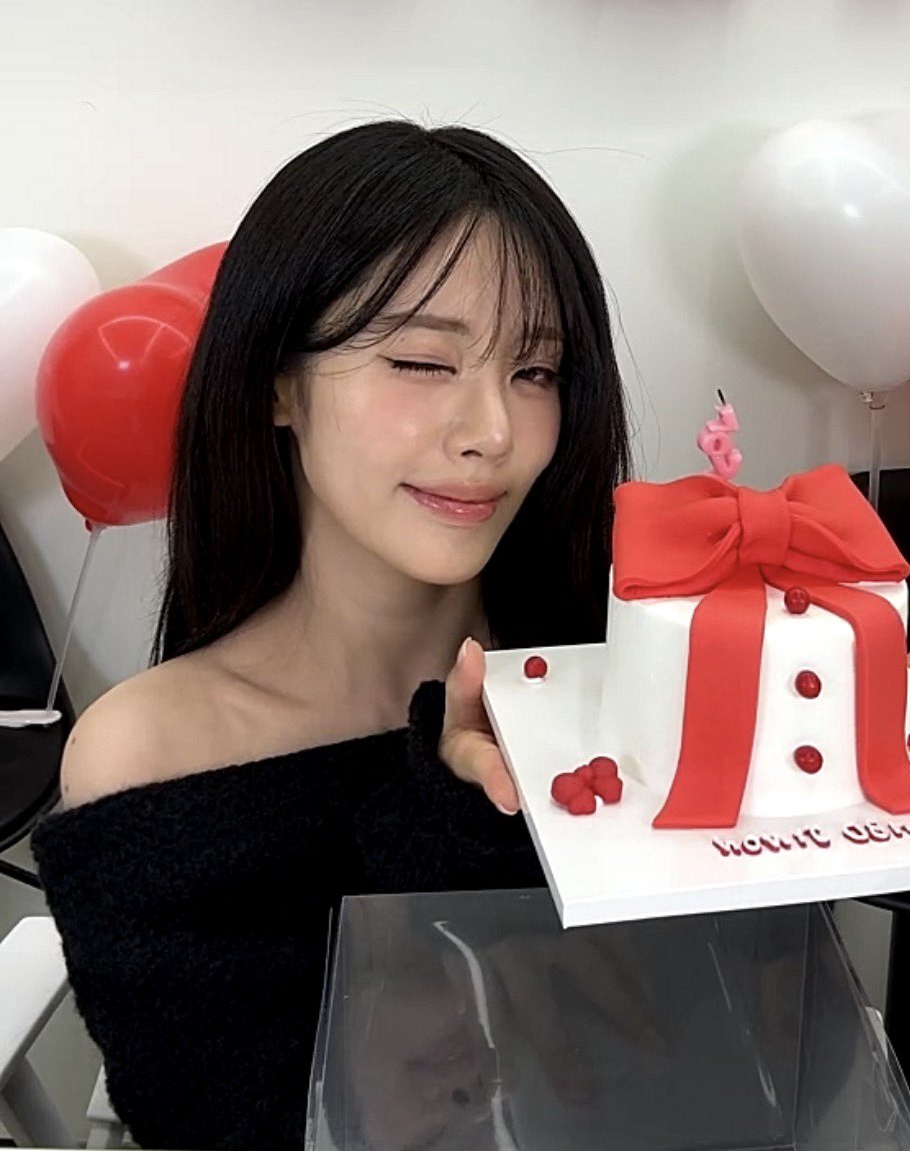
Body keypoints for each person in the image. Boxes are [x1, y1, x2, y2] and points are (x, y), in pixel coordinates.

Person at [31, 120, 631, 1151]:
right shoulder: (152, 756)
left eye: (536, 372)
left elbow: (734, 1046)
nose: (492, 431)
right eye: (421, 361)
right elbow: (236, 1124)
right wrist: (451, 822)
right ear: (277, 381)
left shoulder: (610, 674)